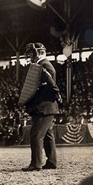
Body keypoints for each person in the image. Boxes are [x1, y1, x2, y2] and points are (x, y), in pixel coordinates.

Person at [20, 43, 61, 171]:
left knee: (36, 134)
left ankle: (36, 163)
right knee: (48, 134)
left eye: (31, 53)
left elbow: (49, 79)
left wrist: (56, 91)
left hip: (44, 107)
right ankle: (51, 162)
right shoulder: (44, 65)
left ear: (38, 52)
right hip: (47, 107)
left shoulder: (43, 65)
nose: (30, 56)